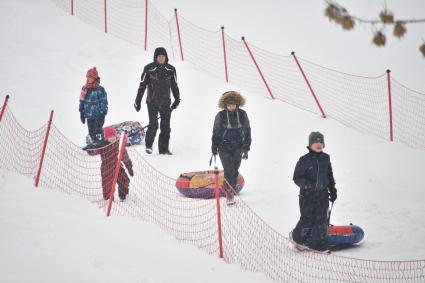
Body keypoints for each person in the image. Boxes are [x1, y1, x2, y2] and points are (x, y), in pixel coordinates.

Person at [290, 132, 337, 252]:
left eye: (321, 142)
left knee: (321, 220)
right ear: (310, 144)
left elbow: (329, 175)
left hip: (322, 195)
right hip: (307, 196)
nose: (319, 144)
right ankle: (297, 240)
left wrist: (332, 189)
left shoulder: (326, 158)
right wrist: (307, 186)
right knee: (307, 218)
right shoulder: (304, 160)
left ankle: (318, 245)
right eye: (316, 142)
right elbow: (297, 177)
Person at [134, 47, 180, 155]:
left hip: (166, 103)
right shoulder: (149, 69)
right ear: (155, 57)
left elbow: (174, 86)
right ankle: (149, 145)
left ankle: (164, 149)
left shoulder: (171, 70)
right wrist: (138, 101)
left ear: (166, 57)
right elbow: (142, 86)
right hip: (152, 102)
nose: (161, 58)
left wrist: (177, 99)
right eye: (159, 56)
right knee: (153, 125)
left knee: (166, 127)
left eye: (163, 56)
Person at [211, 91, 251, 205]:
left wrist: (246, 147)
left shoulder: (243, 114)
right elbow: (216, 132)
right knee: (229, 169)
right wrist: (214, 147)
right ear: (225, 105)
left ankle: (226, 186)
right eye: (229, 105)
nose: (231, 107)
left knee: (234, 170)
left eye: (233, 104)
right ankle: (230, 194)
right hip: (223, 147)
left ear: (237, 104)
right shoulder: (220, 115)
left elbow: (248, 130)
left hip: (238, 146)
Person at [86, 127, 134, 201]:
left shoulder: (119, 144)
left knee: (125, 180)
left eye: (113, 135)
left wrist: (129, 167)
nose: (112, 138)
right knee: (107, 186)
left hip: (118, 167)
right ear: (105, 138)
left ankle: (123, 197)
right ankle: (109, 200)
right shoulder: (103, 145)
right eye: (109, 136)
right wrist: (90, 149)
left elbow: (125, 157)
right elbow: (95, 151)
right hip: (106, 169)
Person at [79, 67, 109, 150]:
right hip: (89, 115)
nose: (88, 79)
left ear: (94, 78)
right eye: (87, 77)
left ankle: (100, 144)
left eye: (90, 77)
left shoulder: (100, 89)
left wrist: (103, 113)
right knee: (91, 131)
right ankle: (93, 144)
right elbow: (82, 101)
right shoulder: (84, 89)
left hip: (98, 115)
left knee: (98, 130)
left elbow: (104, 101)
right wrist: (81, 112)